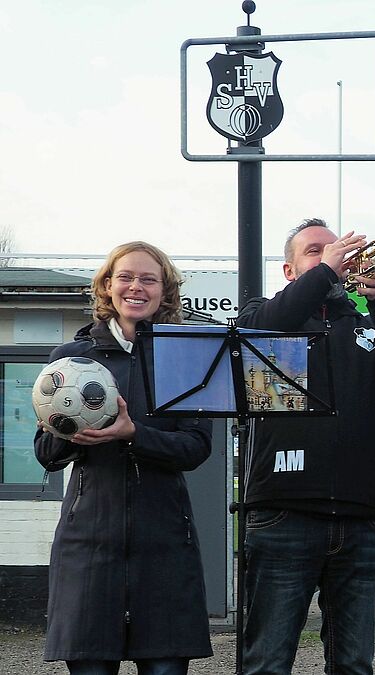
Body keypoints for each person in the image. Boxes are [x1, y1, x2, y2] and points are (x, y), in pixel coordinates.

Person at [237, 218, 375, 674]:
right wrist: (329, 273)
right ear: (290, 271)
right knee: (267, 662)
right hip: (284, 510)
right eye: (315, 252)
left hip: (362, 517)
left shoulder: (365, 324)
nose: (333, 256)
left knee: (354, 664)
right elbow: (258, 328)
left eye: (335, 249)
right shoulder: (265, 315)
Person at [35, 241, 214, 674]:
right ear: (108, 286)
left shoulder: (185, 359)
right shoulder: (71, 361)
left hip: (166, 544)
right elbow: (47, 453)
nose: (137, 287)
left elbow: (195, 448)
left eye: (149, 279)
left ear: (165, 290)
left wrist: (135, 435)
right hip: (89, 546)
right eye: (126, 277)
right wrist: (74, 433)